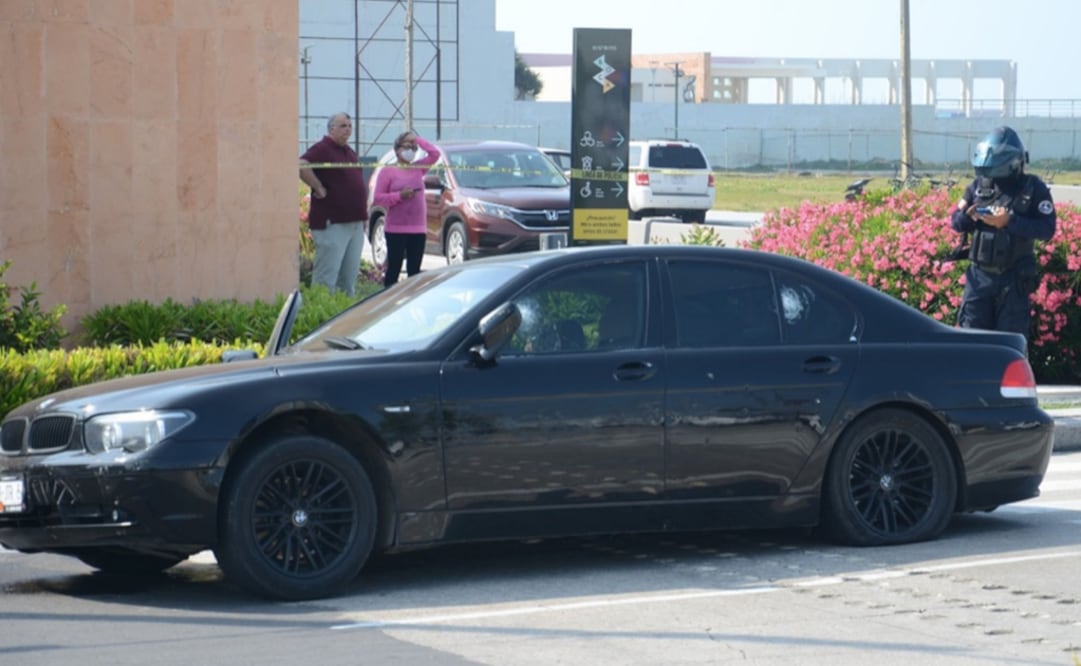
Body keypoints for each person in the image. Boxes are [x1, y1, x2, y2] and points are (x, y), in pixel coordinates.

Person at [950, 126, 1056, 337]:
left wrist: (1009, 221)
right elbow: (956, 221)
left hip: (1014, 278)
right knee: (972, 340)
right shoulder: (978, 186)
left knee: (1009, 342)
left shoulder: (1033, 188)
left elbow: (1047, 229)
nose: (991, 174)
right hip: (979, 278)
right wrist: (968, 217)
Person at [299, 112, 369, 297]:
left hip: (354, 223)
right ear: (331, 129)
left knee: (348, 279)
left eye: (349, 126)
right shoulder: (323, 148)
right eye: (343, 126)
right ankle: (320, 311)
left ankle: (345, 312)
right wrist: (318, 186)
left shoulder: (349, 152)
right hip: (333, 223)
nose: (348, 129)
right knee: (326, 277)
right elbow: (302, 164)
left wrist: (363, 216)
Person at [372, 131, 441, 287]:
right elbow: (378, 198)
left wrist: (417, 139)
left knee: (414, 272)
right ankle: (389, 297)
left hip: (418, 228)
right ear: (397, 150)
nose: (411, 150)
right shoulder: (387, 172)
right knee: (394, 269)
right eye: (407, 146)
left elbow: (435, 154)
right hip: (396, 229)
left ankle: (412, 298)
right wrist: (399, 196)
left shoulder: (418, 168)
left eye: (413, 148)